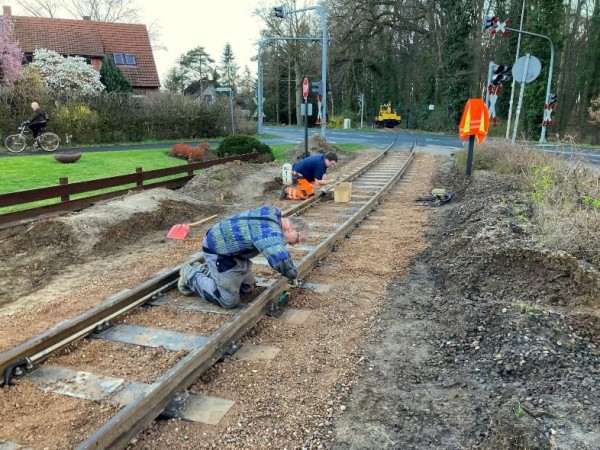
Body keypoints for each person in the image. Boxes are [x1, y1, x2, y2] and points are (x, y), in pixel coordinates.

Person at [178, 205, 309, 309]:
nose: (294, 244)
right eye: (297, 240)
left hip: (235, 252)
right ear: (291, 228)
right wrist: (292, 275)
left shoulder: (272, 212)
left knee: (246, 288)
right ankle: (190, 274)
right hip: (219, 251)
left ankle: (207, 273)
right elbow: (280, 258)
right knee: (228, 300)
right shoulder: (269, 232)